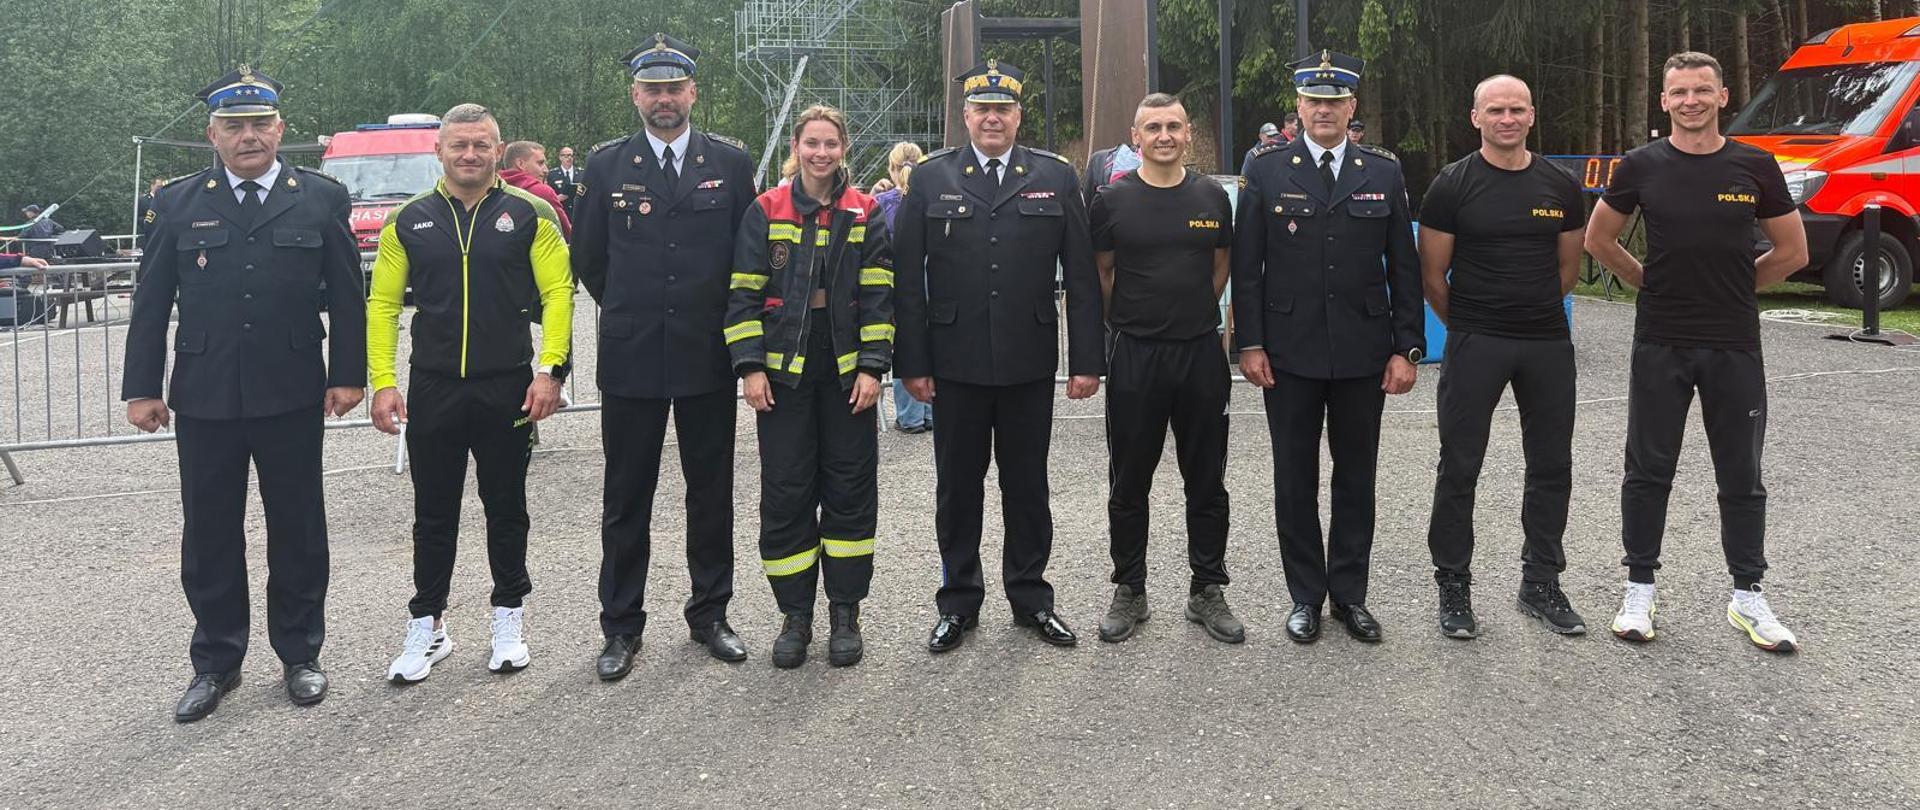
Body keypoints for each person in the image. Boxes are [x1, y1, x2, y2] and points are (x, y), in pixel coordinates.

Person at [121, 67, 366, 722]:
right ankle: (217, 662)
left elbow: (347, 297)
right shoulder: (177, 203)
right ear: (213, 134)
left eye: (260, 124)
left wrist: (349, 374)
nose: (249, 136)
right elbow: (149, 306)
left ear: (280, 129)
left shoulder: (319, 198)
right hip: (204, 397)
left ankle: (300, 652)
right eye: (235, 126)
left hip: (291, 392)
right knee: (209, 535)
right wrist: (141, 387)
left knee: (299, 528)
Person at [1583, 51, 1808, 653]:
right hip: (1662, 338)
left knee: (1742, 473)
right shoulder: (1640, 166)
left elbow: (1792, 251)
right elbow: (1598, 239)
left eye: (1701, 91)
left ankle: (1749, 596)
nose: (1690, 101)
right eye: (1679, 92)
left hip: (1733, 341)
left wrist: (1736, 286)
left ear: (1723, 96)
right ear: (1663, 101)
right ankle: (1638, 590)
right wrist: (1647, 280)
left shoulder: (1755, 165)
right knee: (1648, 469)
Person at [893, 59, 1104, 652]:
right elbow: (908, 278)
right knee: (958, 488)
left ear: (1018, 116)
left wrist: (1086, 359)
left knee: (1027, 486)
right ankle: (958, 601)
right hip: (953, 362)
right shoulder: (932, 179)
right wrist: (911, 363)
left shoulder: (1055, 177)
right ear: (966, 117)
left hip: (1026, 361)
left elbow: (1082, 277)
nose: (992, 118)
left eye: (1003, 109)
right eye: (982, 109)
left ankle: (1032, 597)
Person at [367, 104, 574, 682]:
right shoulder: (408, 220)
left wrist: (550, 370)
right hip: (432, 385)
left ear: (497, 150)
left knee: (506, 507)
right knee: (433, 513)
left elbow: (559, 294)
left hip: (507, 382)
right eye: (459, 144)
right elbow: (382, 306)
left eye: (481, 144)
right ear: (439, 151)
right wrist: (383, 381)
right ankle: (428, 624)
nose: (470, 154)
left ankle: (508, 616)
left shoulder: (530, 213)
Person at [573, 34, 759, 679]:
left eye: (674, 89)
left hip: (706, 353)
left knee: (711, 493)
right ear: (635, 95)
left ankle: (711, 614)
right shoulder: (605, 166)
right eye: (652, 89)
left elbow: (747, 258)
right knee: (627, 498)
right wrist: (634, 307)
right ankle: (621, 626)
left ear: (692, 93)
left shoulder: (731, 164)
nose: (663, 100)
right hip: (632, 357)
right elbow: (590, 261)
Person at [1232, 50, 1423, 645]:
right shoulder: (1266, 170)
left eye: (1334, 100)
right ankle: (1305, 597)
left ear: (1351, 107)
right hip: (1287, 352)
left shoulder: (1382, 171)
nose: (1323, 109)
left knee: (1356, 475)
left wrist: (1406, 348)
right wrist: (1251, 343)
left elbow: (1405, 267)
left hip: (1365, 351)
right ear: (1298, 107)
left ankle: (1350, 596)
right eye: (1313, 100)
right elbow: (1248, 267)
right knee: (1295, 477)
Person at [1419, 75, 1588, 640]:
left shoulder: (1560, 186)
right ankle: (1454, 584)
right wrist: (1468, 326)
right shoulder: (1452, 184)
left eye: (1517, 109)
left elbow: (1567, 271)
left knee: (1551, 464)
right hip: (1476, 341)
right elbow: (1432, 275)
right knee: (1460, 465)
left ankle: (1540, 581)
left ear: (1532, 115)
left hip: (1544, 343)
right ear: (1476, 118)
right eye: (1496, 110)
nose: (1507, 118)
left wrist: (1531, 313)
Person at [725, 105, 894, 668]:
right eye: (811, 143)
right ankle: (795, 615)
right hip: (783, 372)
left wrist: (873, 366)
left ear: (843, 148)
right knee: (787, 493)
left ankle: (846, 611)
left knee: (849, 490)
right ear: (795, 147)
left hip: (846, 368)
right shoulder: (765, 209)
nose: (821, 153)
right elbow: (744, 294)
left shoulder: (866, 211)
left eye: (831, 144)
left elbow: (878, 296)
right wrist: (750, 367)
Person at [1090, 93, 1242, 645]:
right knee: (1130, 480)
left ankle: (1207, 589)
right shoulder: (1110, 200)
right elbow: (1103, 274)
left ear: (1188, 134)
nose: (1163, 135)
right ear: (1136, 137)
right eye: (1152, 126)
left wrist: (1190, 317)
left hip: (1199, 354)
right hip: (1135, 355)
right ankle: (1130, 588)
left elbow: (1220, 268)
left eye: (1173, 126)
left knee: (1206, 479)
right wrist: (1136, 323)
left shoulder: (1212, 197)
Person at [872, 141, 931, 434]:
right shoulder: (930, 197)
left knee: (905, 345)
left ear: (891, 169)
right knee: (934, 343)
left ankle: (909, 416)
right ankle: (931, 410)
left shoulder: (883, 203)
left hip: (896, 279)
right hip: (931, 277)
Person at [500, 140, 572, 238]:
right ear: (520, 164)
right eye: (540, 163)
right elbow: (567, 233)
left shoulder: (491, 188)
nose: (546, 170)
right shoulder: (542, 192)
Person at [546, 145, 583, 216]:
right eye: (566, 156)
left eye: (571, 156)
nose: (569, 158)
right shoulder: (552, 174)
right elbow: (548, 194)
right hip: (561, 212)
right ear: (560, 157)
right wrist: (557, 198)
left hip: (578, 212)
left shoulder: (581, 173)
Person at [135, 177, 165, 250]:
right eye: (158, 186)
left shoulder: (165, 200)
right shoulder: (143, 200)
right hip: (147, 235)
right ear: (152, 186)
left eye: (161, 187)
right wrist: (146, 221)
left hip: (162, 236)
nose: (160, 188)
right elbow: (137, 218)